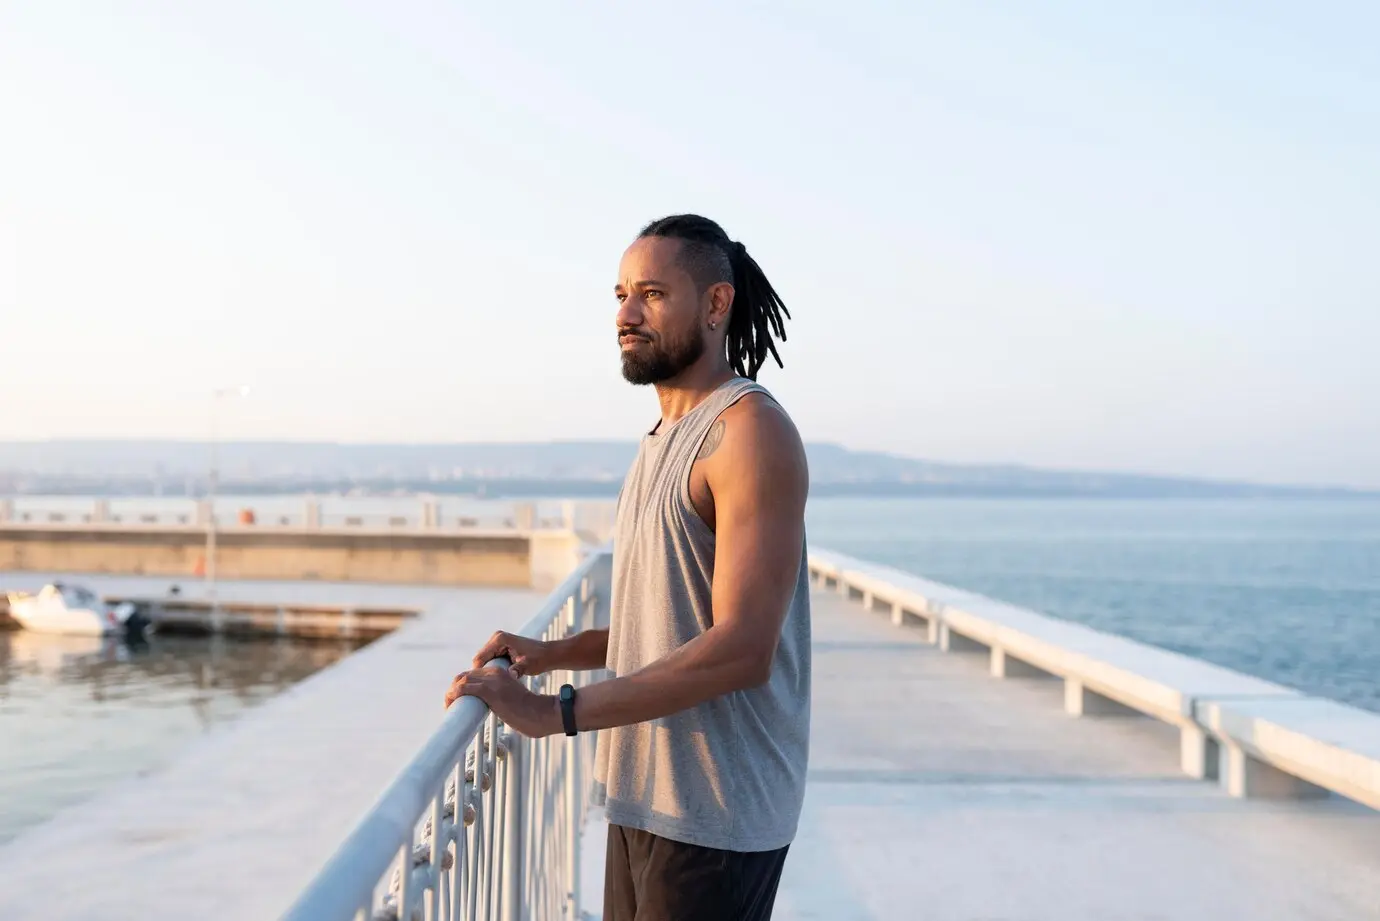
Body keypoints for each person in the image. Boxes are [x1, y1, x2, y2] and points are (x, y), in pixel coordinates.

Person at [445, 214, 811, 921]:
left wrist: (556, 713)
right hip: (644, 796)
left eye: (650, 293)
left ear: (714, 304)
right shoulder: (659, 440)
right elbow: (669, 624)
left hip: (717, 814)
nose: (625, 313)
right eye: (619, 294)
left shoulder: (748, 432)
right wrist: (556, 652)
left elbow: (742, 649)